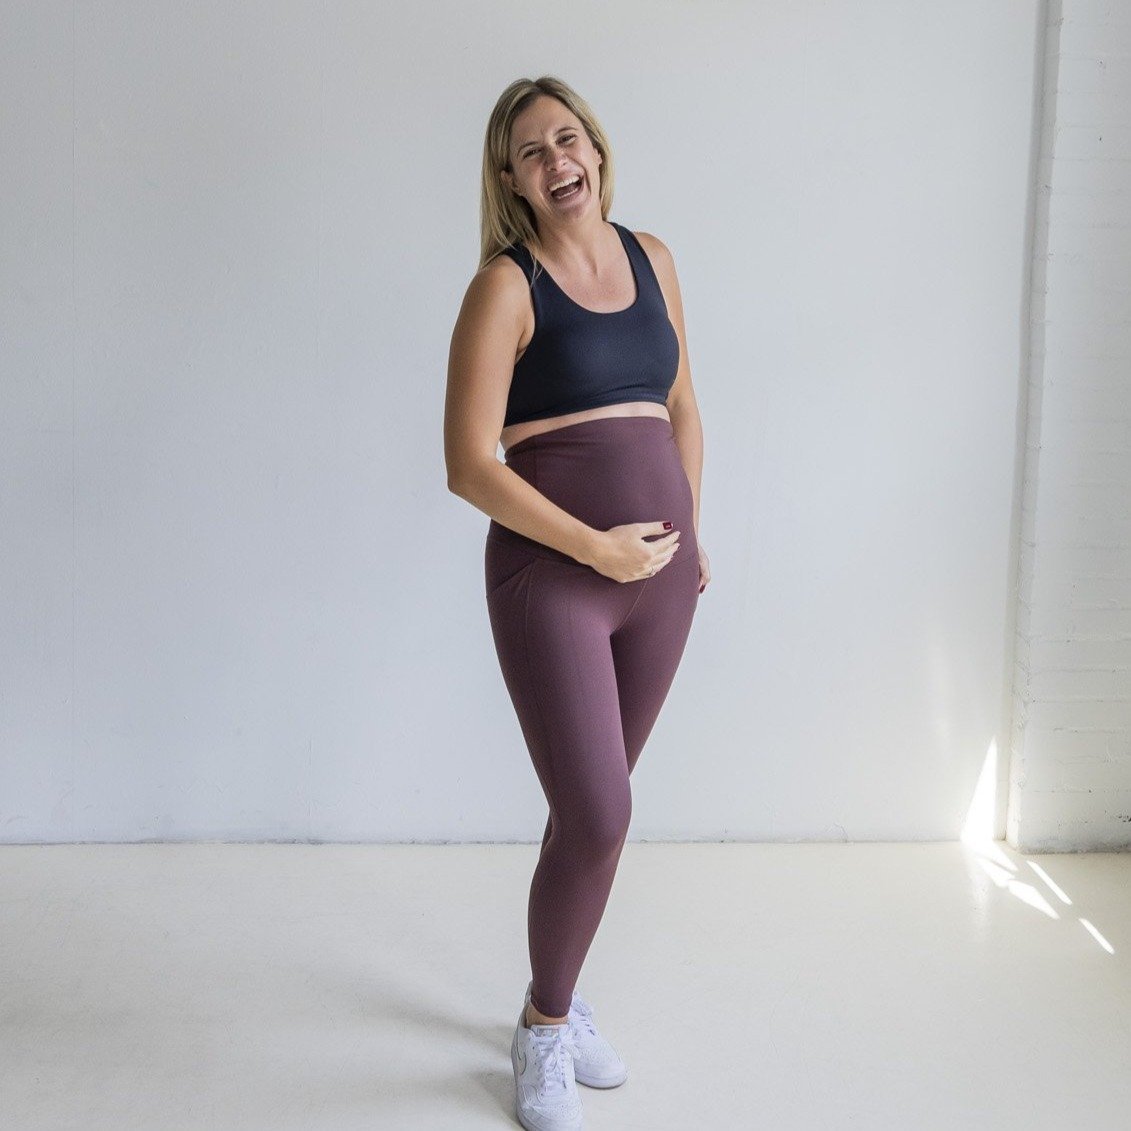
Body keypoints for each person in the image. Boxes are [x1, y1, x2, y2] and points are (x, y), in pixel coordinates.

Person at [444, 75, 710, 1131]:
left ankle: (551, 991)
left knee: (587, 812)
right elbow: (469, 464)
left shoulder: (653, 258)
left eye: (568, 139)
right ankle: (546, 1026)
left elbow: (682, 404)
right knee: (601, 814)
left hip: (661, 584)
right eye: (531, 151)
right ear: (510, 179)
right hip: (552, 579)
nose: (557, 160)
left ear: (595, 148)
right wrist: (597, 548)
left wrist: (691, 534)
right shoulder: (504, 287)